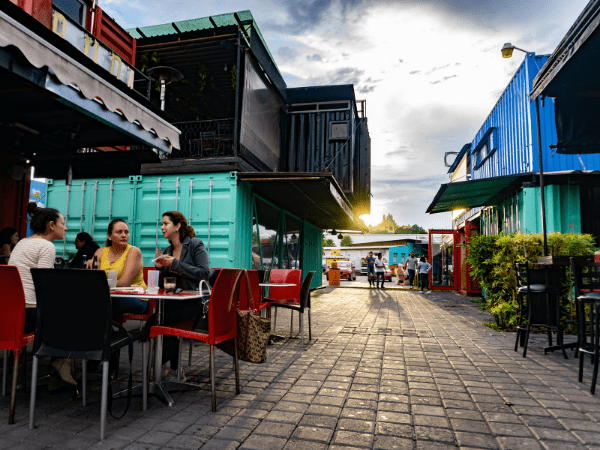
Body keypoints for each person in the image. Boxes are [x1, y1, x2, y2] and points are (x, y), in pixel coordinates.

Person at [8, 204, 75, 390]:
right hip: (29, 315)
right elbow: (45, 287)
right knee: (72, 314)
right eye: (63, 223)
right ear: (52, 225)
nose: (66, 227)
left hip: (8, 315)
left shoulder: (22, 242)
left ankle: (59, 366)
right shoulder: (46, 246)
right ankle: (60, 365)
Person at [149, 211, 209, 381]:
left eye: (165, 223)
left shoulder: (196, 244)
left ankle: (163, 366)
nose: (161, 227)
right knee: (155, 323)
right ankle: (172, 368)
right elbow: (166, 286)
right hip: (175, 303)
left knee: (157, 323)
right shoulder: (168, 250)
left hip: (196, 303)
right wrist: (160, 269)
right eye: (161, 224)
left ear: (177, 226)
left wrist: (175, 264)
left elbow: (204, 273)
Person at [88, 219, 147, 315]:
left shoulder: (133, 252)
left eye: (126, 232)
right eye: (119, 232)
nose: (124, 235)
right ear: (109, 236)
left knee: (100, 302)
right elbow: (93, 278)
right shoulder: (100, 252)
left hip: (135, 298)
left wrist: (99, 284)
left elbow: (124, 283)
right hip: (108, 295)